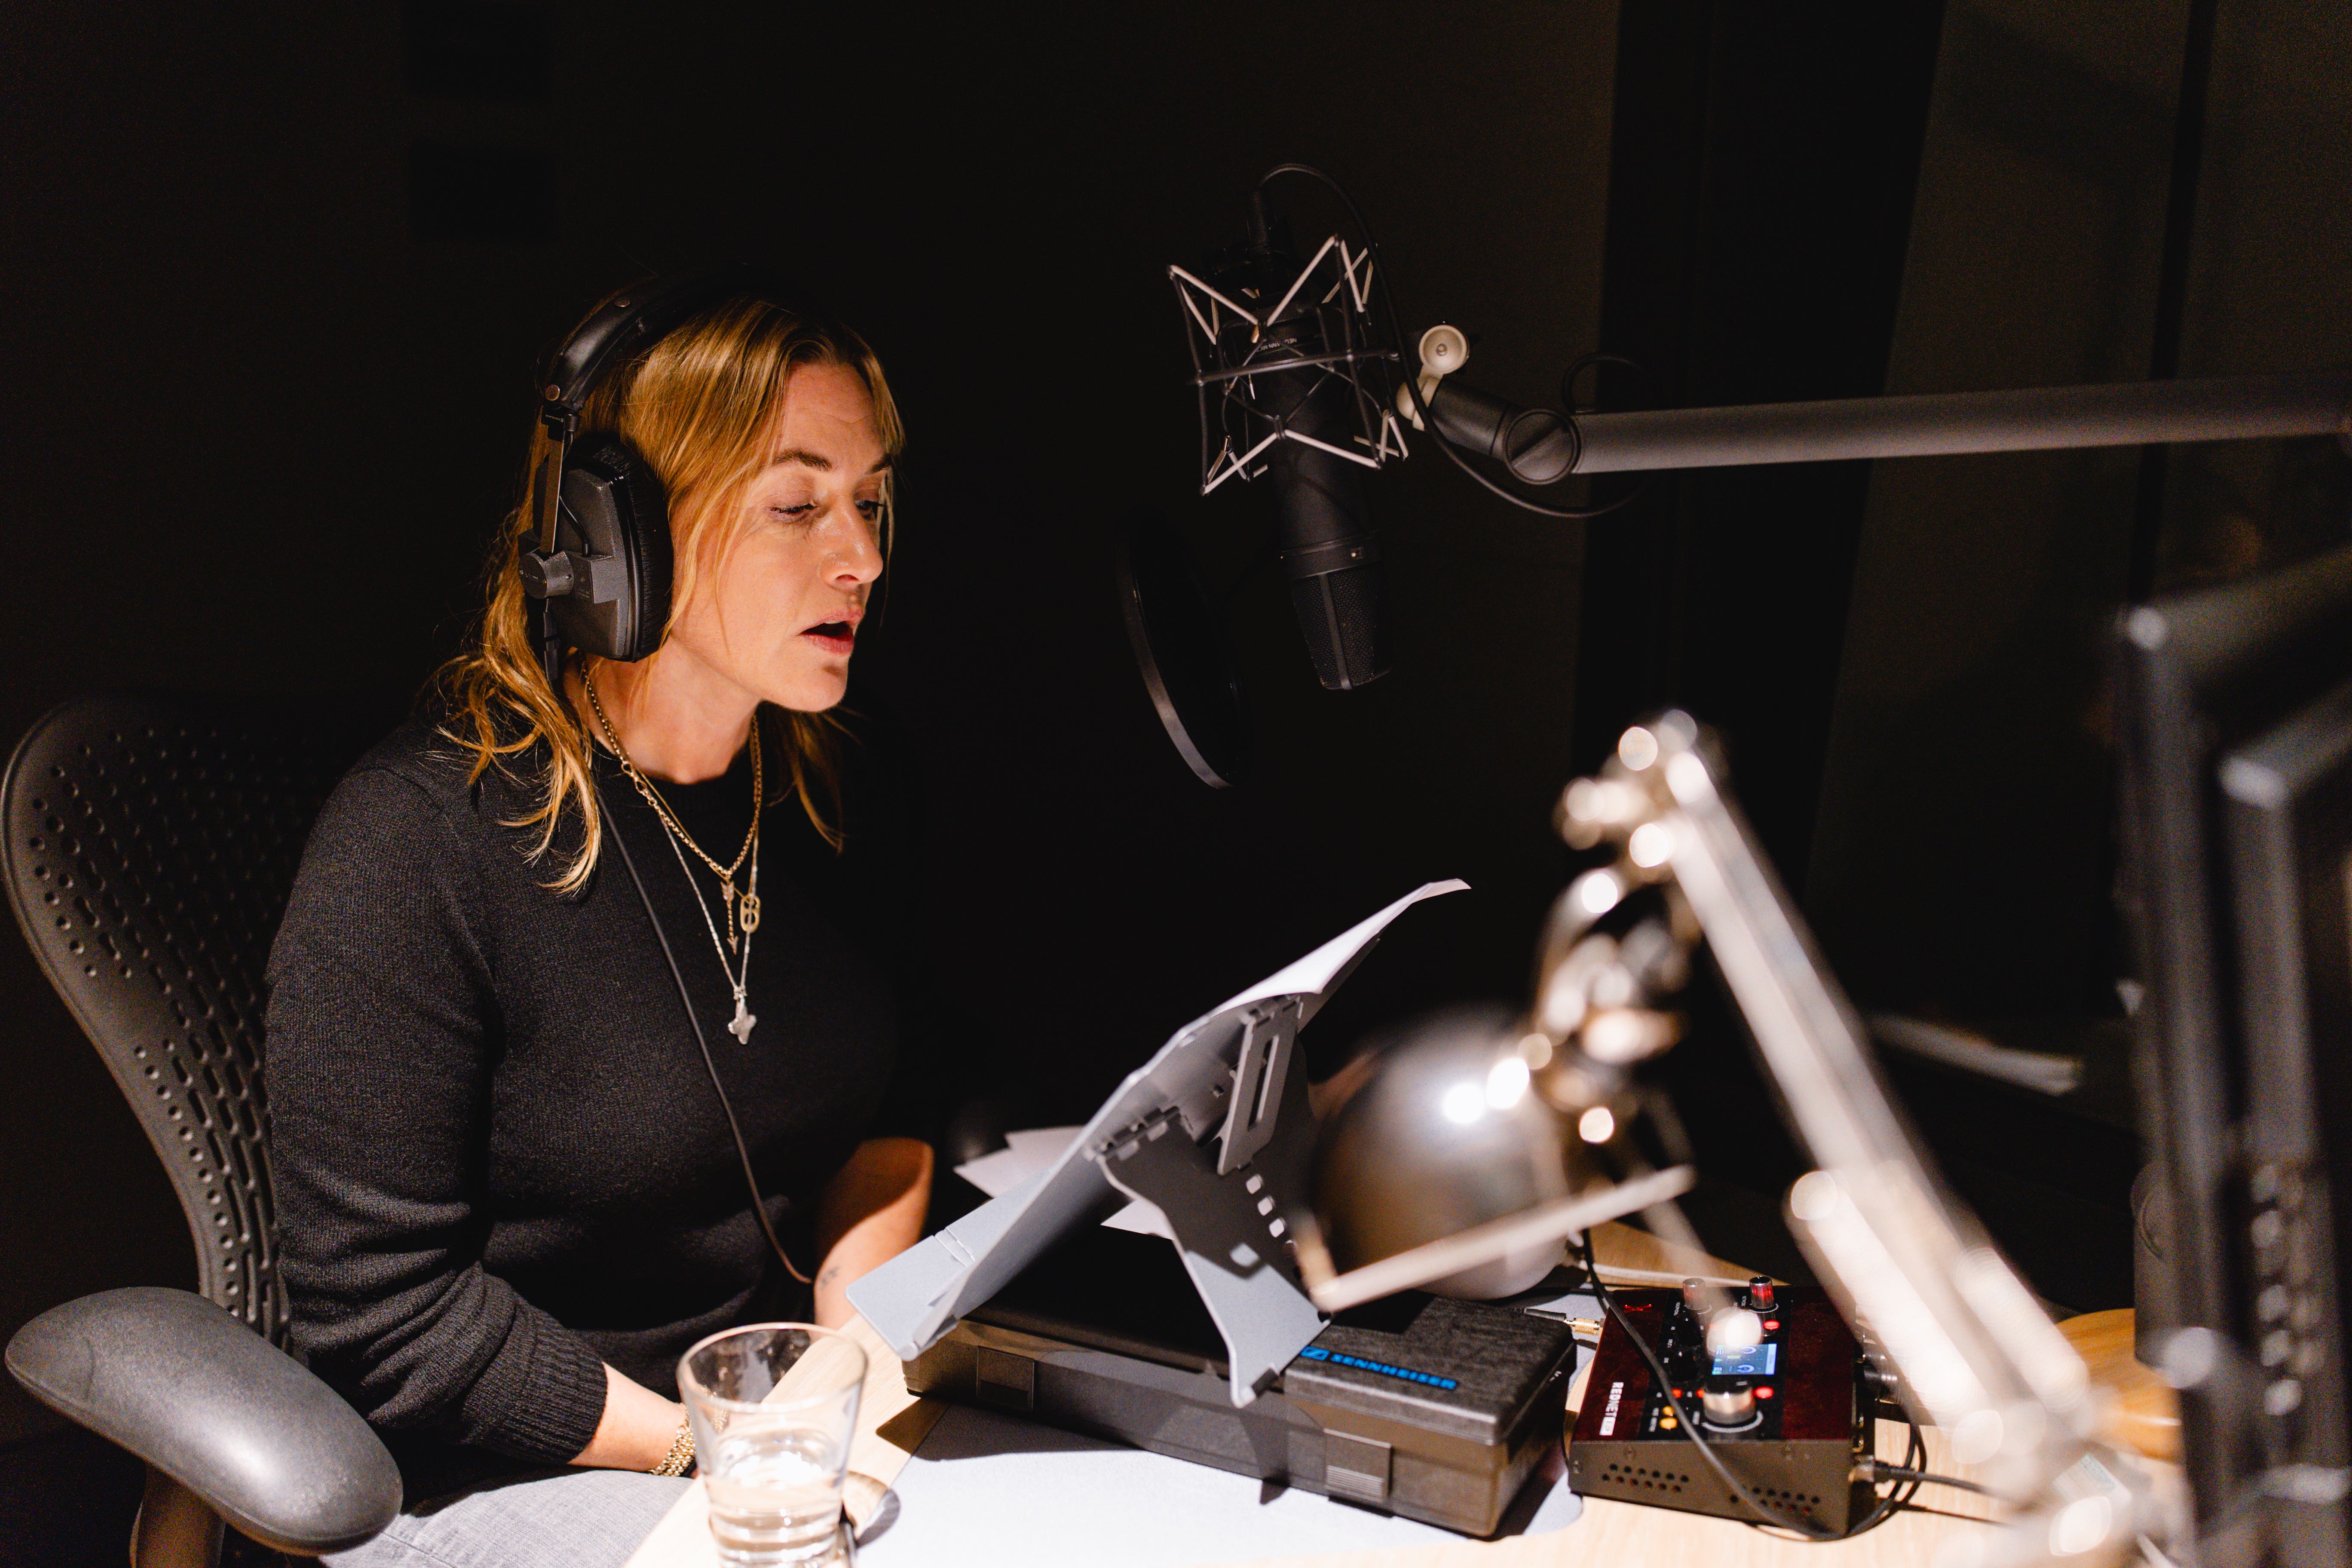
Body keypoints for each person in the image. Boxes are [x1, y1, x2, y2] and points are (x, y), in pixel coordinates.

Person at [265, 285, 950, 1567]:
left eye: (869, 501)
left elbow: (894, 1118)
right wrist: (715, 1447)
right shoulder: (417, 844)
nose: (859, 556)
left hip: (772, 1428)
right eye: (796, 505)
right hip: (505, 1461)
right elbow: (385, 1319)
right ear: (621, 537)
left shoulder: (845, 789)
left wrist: (852, 1349)